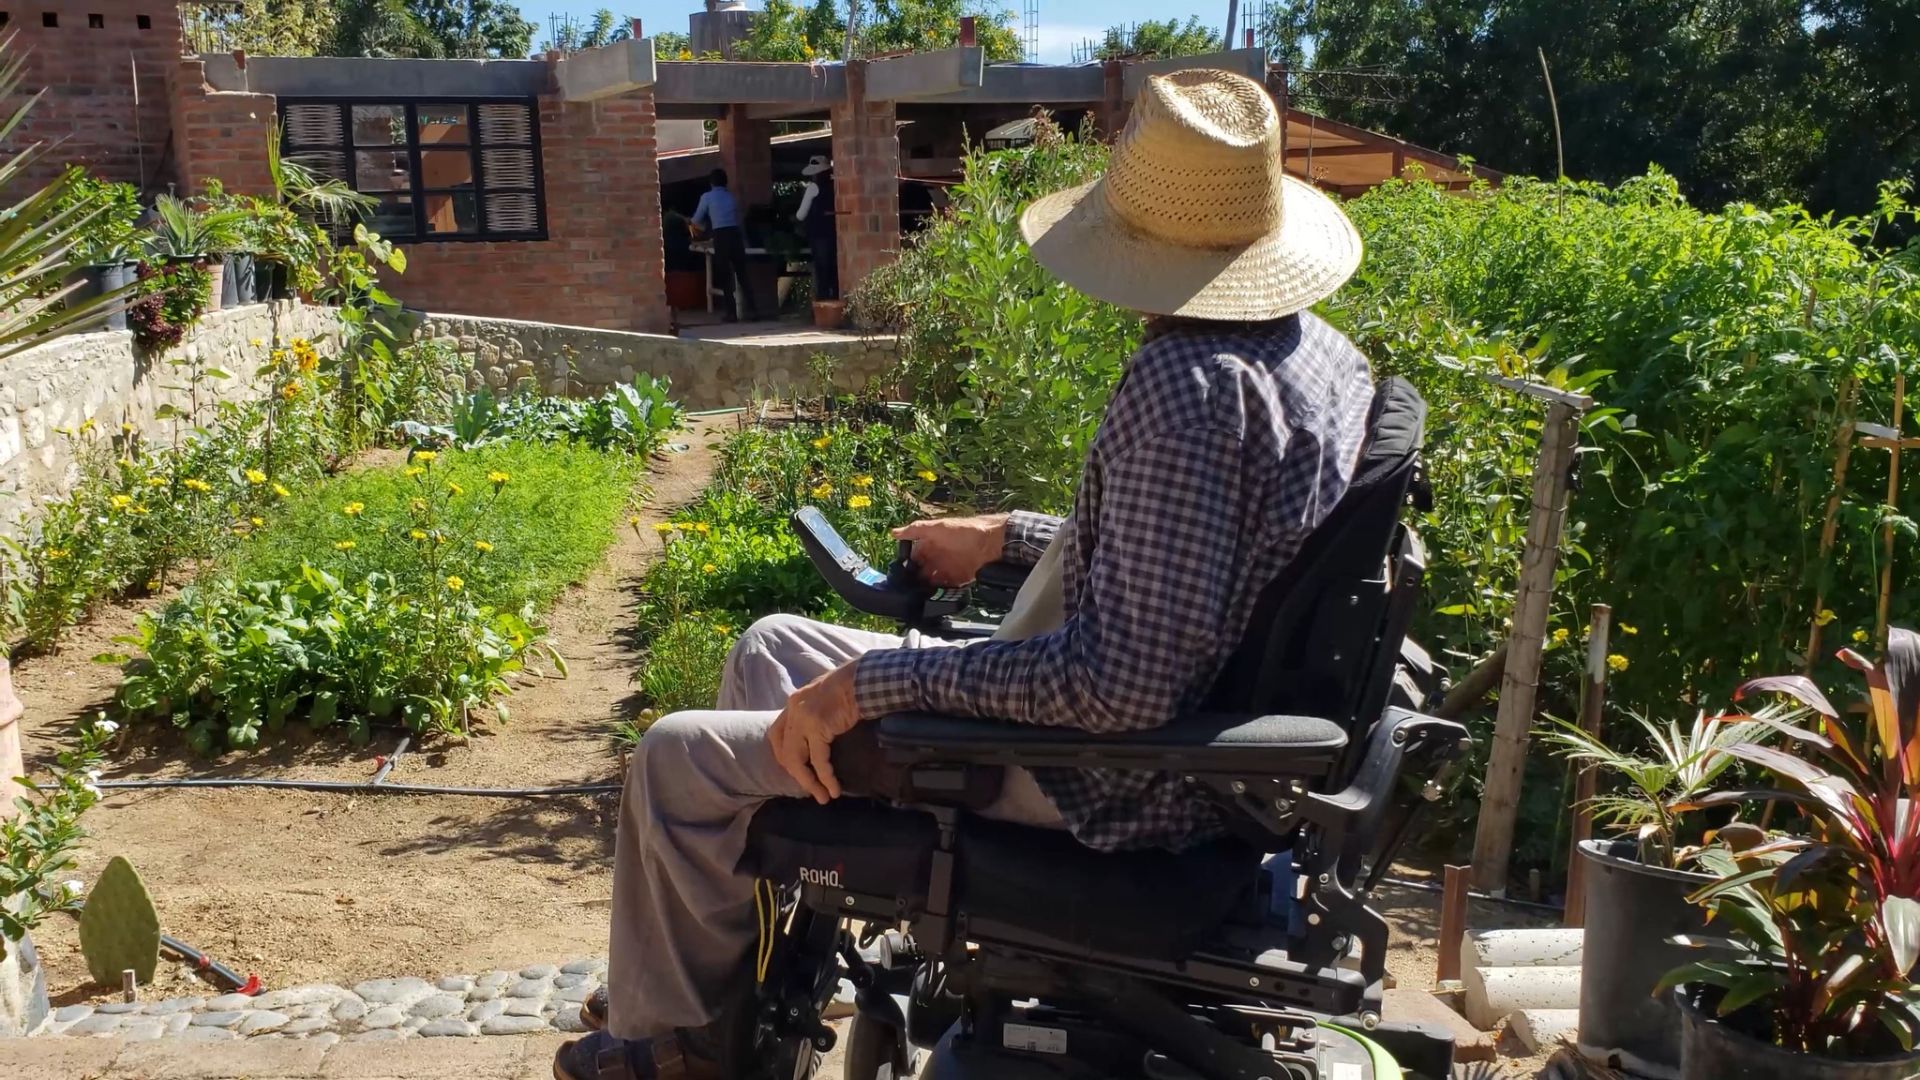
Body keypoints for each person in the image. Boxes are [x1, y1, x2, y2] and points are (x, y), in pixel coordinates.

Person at [554, 67, 1374, 1080]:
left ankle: (683, 1049)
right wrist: (1010, 534)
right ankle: (731, 988)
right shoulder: (1320, 357)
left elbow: (1121, 686)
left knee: (678, 760)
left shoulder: (1186, 385)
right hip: (1198, 746)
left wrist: (877, 686)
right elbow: (1194, 555)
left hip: (1116, 785)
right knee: (772, 647)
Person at [690, 168, 757, 321]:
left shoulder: (707, 197)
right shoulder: (731, 197)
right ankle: (753, 311)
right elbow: (739, 217)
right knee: (742, 274)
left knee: (724, 276)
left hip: (721, 236)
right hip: (735, 235)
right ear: (725, 182)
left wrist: (690, 223)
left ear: (711, 183)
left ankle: (731, 313)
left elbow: (697, 220)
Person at [794, 154, 838, 301]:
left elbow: (801, 214)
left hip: (819, 234)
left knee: (822, 272)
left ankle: (824, 305)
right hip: (835, 233)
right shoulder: (836, 186)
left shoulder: (813, 188)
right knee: (834, 271)